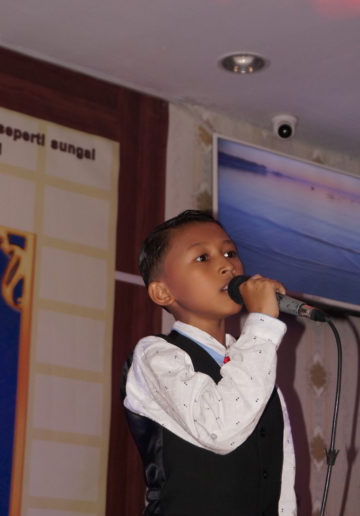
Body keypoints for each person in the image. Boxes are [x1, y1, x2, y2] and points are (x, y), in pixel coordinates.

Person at [122, 210, 297, 516]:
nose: (227, 265)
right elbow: (219, 429)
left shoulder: (253, 363)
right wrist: (262, 324)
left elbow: (281, 483)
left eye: (230, 253)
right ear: (162, 292)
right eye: (202, 258)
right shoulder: (155, 355)